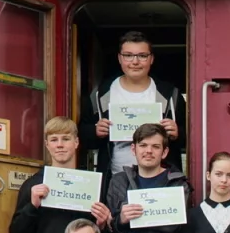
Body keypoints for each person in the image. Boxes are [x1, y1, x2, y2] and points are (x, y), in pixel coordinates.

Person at [80, 30, 186, 187]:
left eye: (142, 56)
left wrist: (177, 133)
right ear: (119, 58)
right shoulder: (101, 94)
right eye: (128, 55)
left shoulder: (171, 94)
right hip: (115, 179)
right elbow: (81, 134)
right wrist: (95, 131)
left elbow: (191, 137)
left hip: (161, 181)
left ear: (151, 59)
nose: (135, 62)